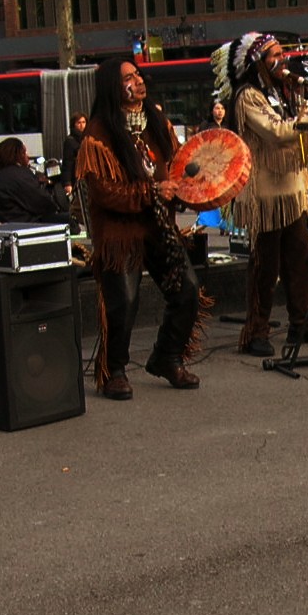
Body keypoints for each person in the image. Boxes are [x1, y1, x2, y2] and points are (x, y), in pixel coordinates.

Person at [76, 57, 204, 398]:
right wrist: (151, 191)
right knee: (124, 302)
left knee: (187, 289)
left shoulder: (156, 121)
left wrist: (192, 188)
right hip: (121, 233)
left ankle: (167, 356)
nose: (138, 81)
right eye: (129, 78)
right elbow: (103, 192)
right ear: (113, 89)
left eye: (138, 74)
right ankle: (113, 370)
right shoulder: (99, 133)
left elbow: (175, 166)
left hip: (159, 225)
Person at [230, 32, 308, 357]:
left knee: (299, 260)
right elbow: (278, 133)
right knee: (266, 266)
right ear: (257, 63)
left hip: (293, 191)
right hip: (264, 195)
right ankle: (256, 330)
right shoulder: (249, 97)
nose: (282, 59)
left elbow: (302, 125)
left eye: (282, 53)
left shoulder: (288, 92)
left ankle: (301, 321)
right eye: (273, 55)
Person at [0, 137, 70, 224]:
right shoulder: (19, 174)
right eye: (24, 152)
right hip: (23, 225)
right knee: (69, 219)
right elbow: (41, 202)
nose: (27, 156)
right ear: (19, 155)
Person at [59, 113, 87, 187]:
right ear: (74, 124)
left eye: (84, 122)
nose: (82, 125)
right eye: (79, 123)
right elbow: (67, 163)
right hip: (77, 179)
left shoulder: (89, 139)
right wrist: (67, 183)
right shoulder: (70, 141)